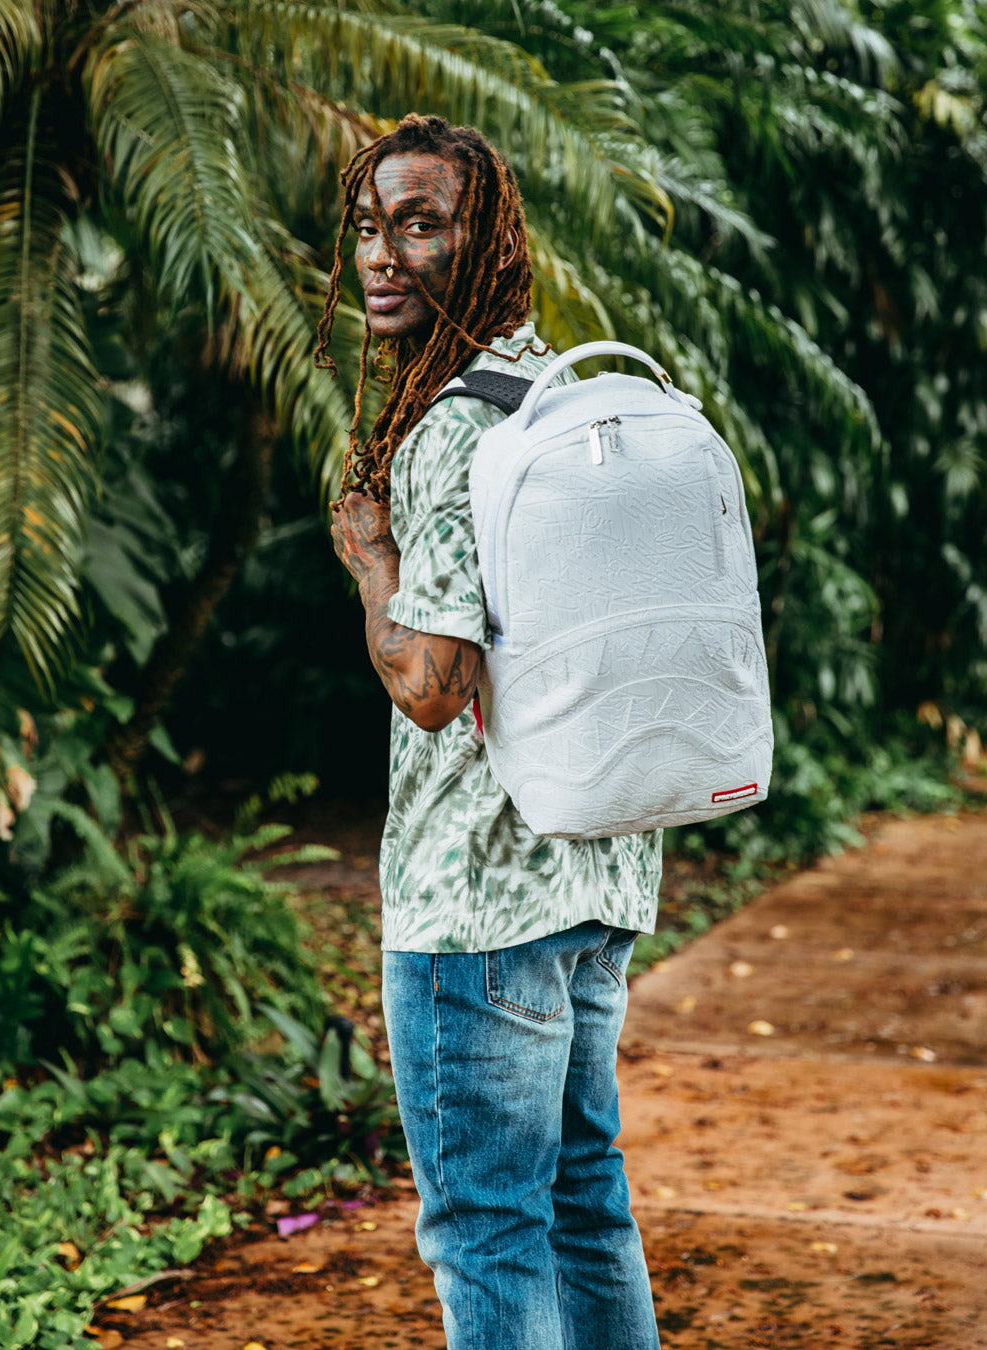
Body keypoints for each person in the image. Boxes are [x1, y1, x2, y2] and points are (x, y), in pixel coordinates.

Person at [317, 113, 663, 1350]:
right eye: (369, 225)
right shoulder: (560, 389)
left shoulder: (459, 424)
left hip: (477, 905)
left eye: (420, 224)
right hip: (596, 874)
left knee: (484, 1228)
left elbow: (431, 680)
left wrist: (371, 564)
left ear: (487, 239)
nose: (382, 255)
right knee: (583, 1204)